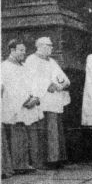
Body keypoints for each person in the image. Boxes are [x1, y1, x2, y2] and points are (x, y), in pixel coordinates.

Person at [25, 37, 70, 169]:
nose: (51, 48)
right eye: (49, 46)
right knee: (45, 131)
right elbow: (31, 79)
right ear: (41, 46)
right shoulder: (31, 60)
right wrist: (47, 85)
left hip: (54, 100)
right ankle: (46, 160)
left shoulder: (52, 61)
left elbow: (63, 78)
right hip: (42, 101)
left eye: (51, 46)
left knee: (55, 130)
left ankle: (56, 159)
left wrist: (59, 84)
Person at [2, 39, 43, 177]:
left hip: (28, 104)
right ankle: (18, 165)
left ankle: (24, 163)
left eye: (25, 50)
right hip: (15, 105)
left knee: (25, 135)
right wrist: (25, 101)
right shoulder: (5, 67)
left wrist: (35, 97)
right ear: (12, 50)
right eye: (21, 50)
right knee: (17, 134)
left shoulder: (24, 66)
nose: (24, 53)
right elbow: (9, 89)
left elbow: (32, 83)